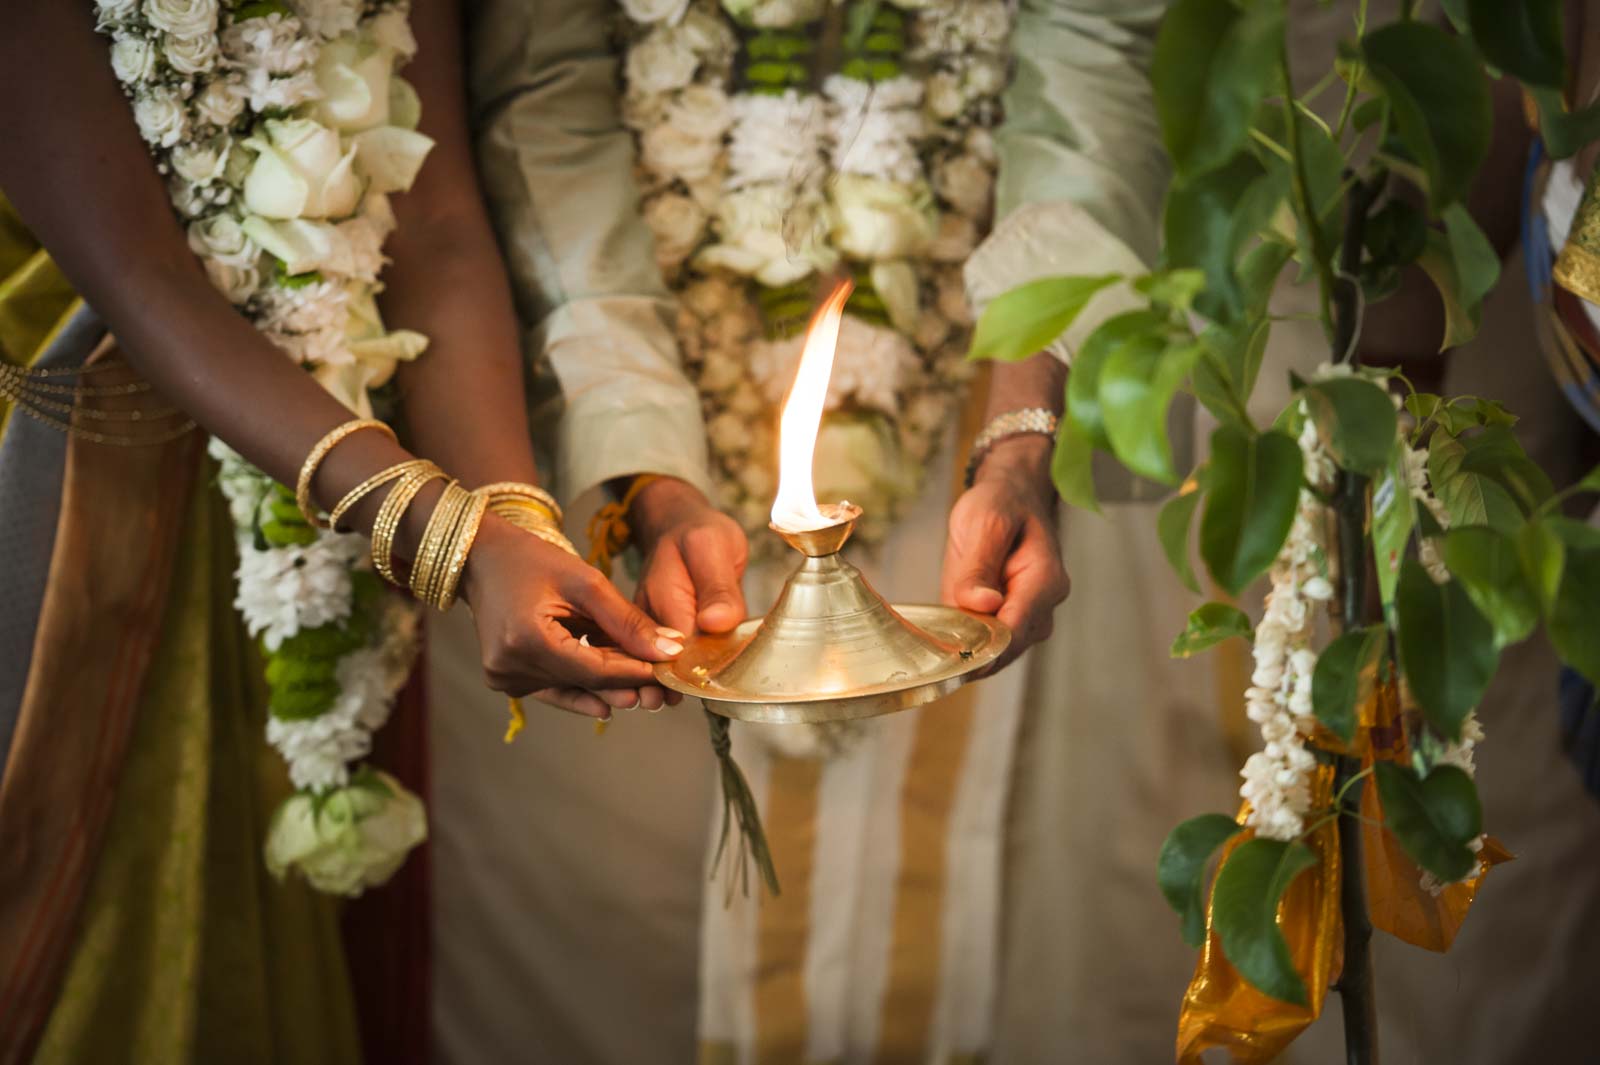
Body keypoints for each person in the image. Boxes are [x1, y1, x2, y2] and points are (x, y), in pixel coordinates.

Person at [0, 1, 683, 1060]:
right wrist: (453, 538)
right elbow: (139, 276)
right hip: (66, 451)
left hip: (331, 480)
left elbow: (439, 220)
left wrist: (511, 521)